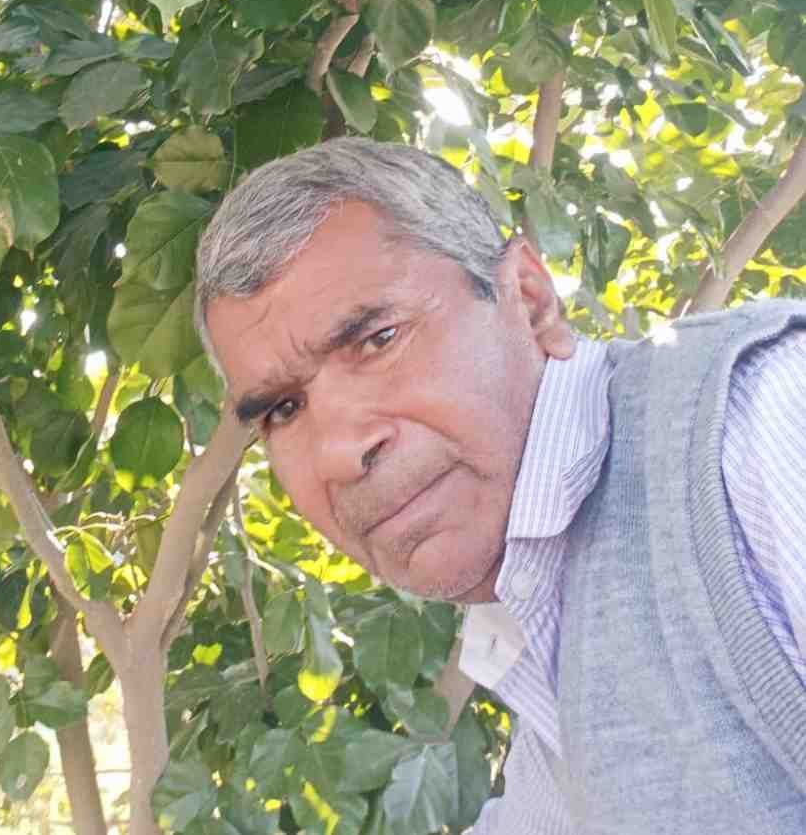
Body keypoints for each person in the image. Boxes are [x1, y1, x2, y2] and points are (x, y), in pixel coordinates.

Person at [194, 137, 806, 833]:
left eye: (378, 340)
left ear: (529, 300)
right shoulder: (543, 614)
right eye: (282, 409)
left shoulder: (760, 419)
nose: (337, 453)